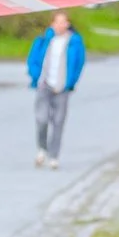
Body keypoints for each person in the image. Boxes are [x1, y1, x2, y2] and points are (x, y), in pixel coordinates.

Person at [28, 11, 86, 169]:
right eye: (57, 22)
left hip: (62, 86)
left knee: (58, 122)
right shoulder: (43, 40)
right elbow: (33, 59)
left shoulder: (74, 42)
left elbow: (79, 63)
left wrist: (71, 81)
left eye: (63, 22)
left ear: (68, 24)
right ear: (52, 24)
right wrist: (35, 75)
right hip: (44, 84)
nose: (60, 25)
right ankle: (42, 149)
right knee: (42, 119)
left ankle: (54, 156)